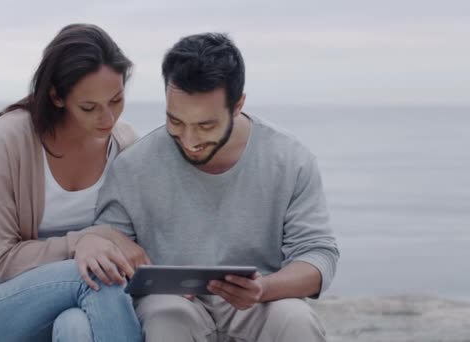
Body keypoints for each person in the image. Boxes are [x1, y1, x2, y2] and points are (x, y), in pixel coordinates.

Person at [93, 33, 340, 341]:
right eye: (175, 121)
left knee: (296, 320)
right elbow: (106, 248)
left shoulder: (289, 159)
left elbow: (318, 255)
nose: (189, 140)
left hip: (260, 300)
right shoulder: (133, 166)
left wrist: (263, 289)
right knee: (167, 318)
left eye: (206, 125)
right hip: (171, 303)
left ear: (238, 106)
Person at [0, 24, 144, 342]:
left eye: (116, 100)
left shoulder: (125, 145)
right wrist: (82, 241)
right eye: (89, 107)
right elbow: (1, 261)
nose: (108, 119)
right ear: (56, 96)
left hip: (84, 298)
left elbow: (134, 239)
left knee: (75, 328)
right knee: (98, 274)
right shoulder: (10, 138)